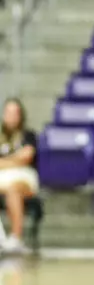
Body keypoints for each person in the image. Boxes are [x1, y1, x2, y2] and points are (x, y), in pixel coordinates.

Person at [0, 99, 38, 257]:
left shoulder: (28, 135)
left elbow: (26, 157)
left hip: (24, 176)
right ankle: (2, 240)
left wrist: (5, 162)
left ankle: (16, 238)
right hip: (2, 176)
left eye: (15, 112)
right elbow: (19, 157)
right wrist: (15, 160)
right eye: (8, 112)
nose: (11, 116)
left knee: (13, 190)